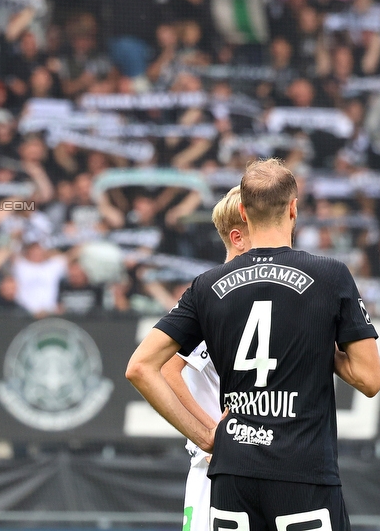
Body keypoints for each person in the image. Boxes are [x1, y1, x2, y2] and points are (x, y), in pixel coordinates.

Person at [126, 159, 380, 531]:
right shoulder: (330, 276)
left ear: (243, 213)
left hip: (233, 470)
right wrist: (320, 342)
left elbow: (140, 367)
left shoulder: (207, 285)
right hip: (302, 468)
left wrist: (206, 436)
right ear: (294, 209)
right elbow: (369, 379)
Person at [159, 186, 250, 531]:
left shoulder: (222, 291)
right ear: (239, 236)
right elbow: (167, 367)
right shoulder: (218, 295)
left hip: (234, 463)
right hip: (217, 467)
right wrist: (207, 432)